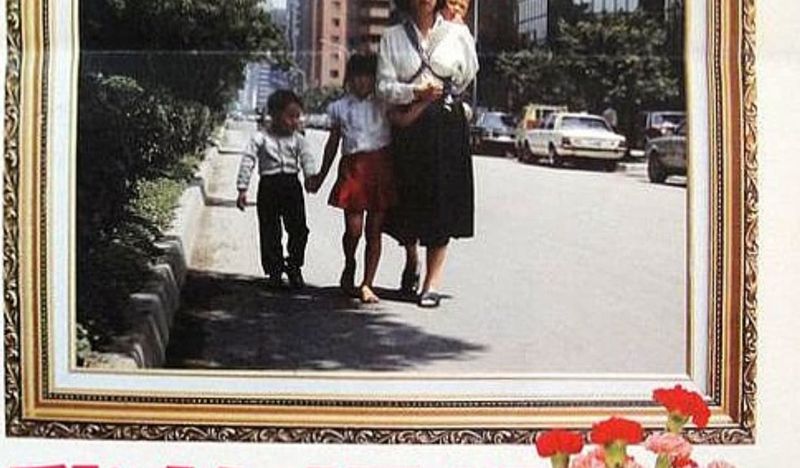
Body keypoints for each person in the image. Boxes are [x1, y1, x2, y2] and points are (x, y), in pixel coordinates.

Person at [377, 0, 479, 308]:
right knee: (406, 201)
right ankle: (412, 258)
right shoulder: (392, 36)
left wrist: (445, 91)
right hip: (409, 126)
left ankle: (432, 283)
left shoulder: (457, 33)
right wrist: (413, 92)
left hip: (445, 128)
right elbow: (383, 87)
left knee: (441, 202)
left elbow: (468, 74)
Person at [305, 54, 397, 304]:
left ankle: (367, 282)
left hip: (380, 167)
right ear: (349, 79)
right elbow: (333, 144)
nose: (361, 82)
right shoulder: (340, 107)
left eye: (367, 76)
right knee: (353, 229)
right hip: (353, 169)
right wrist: (321, 176)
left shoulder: (384, 104)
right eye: (356, 76)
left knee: (374, 231)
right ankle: (350, 262)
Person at [236, 90, 317, 289]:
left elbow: (307, 158)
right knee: (270, 230)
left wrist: (310, 177)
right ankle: (274, 270)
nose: (295, 121)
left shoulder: (298, 139)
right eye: (290, 116)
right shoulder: (260, 138)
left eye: (298, 116)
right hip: (269, 187)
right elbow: (248, 160)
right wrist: (242, 188)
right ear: (274, 115)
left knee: (299, 229)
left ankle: (294, 265)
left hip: (291, 186)